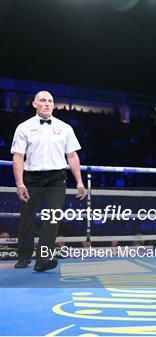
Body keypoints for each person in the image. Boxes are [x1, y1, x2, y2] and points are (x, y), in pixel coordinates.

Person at [11, 90, 87, 272]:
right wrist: (20, 183)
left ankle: (43, 259)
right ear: (35, 104)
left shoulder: (65, 127)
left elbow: (72, 155)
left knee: (52, 217)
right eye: (43, 100)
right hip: (32, 177)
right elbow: (18, 157)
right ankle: (24, 256)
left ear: (53, 105)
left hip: (56, 177)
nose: (47, 103)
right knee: (27, 217)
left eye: (50, 101)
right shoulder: (24, 127)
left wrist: (79, 182)